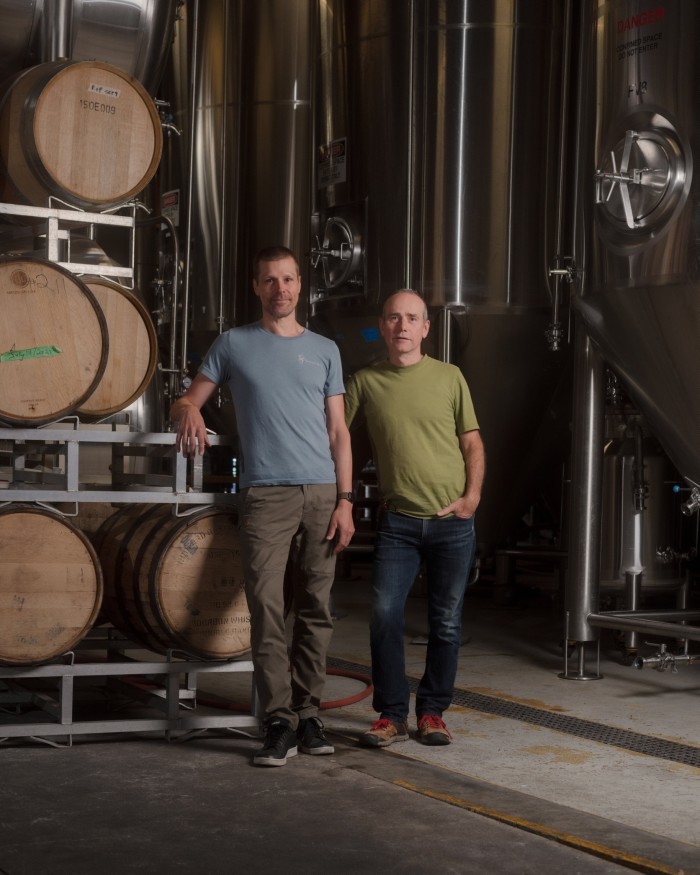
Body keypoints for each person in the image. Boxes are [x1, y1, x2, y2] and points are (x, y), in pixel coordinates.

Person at [170, 245, 355, 766]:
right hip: (264, 495)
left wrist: (345, 499)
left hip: (321, 493)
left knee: (317, 609)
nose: (281, 289)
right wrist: (185, 408)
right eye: (270, 280)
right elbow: (188, 398)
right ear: (256, 287)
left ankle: (310, 715)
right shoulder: (233, 344)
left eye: (289, 280)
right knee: (268, 611)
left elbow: (338, 431)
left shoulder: (325, 349)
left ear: (302, 285)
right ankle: (278, 721)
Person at [345, 289, 484, 747]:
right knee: (385, 615)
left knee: (446, 621)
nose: (401, 326)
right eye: (393, 318)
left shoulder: (450, 377)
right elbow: (330, 433)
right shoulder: (365, 382)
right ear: (383, 326)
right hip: (398, 523)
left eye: (411, 318)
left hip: (453, 524)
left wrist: (471, 498)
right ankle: (390, 715)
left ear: (426, 328)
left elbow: (472, 445)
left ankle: (432, 713)